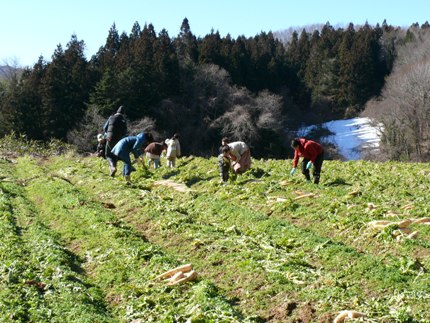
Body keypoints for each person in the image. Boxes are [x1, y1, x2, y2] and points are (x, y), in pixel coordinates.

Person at [103, 106, 127, 176]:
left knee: (108, 155)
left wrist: (108, 134)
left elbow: (105, 128)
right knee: (115, 155)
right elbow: (125, 132)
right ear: (123, 113)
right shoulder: (123, 120)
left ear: (117, 112)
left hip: (110, 138)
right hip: (119, 139)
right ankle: (113, 171)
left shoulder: (111, 117)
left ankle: (112, 167)